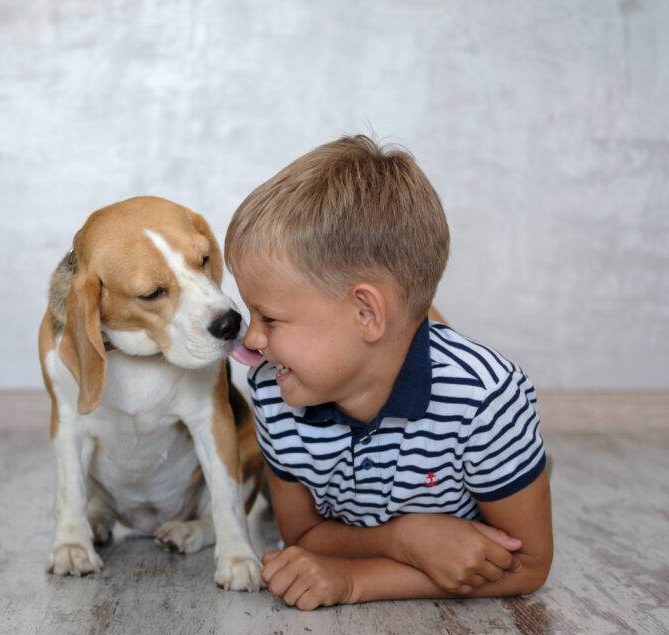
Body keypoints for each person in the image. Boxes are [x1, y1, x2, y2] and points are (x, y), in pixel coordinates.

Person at [224, 135, 553, 610]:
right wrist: (406, 538)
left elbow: (531, 564)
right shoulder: (274, 389)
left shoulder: (487, 399)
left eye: (270, 318)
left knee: (500, 446)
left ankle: (522, 457)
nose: (252, 341)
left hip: (468, 405)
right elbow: (303, 535)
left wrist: (356, 580)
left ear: (365, 312)